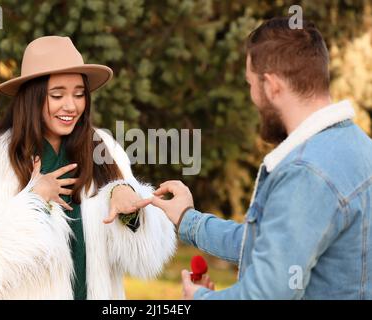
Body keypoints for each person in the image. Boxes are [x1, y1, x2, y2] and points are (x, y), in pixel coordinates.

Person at [148, 17, 372, 299]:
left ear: (272, 85)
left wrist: (198, 299)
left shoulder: (306, 172)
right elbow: (273, 245)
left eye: (251, 84)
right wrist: (187, 220)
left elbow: (265, 294)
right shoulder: (358, 146)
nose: (252, 96)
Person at [0, 36, 176, 299]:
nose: (71, 106)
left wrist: (127, 199)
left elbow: (148, 253)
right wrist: (34, 201)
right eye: (57, 95)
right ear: (32, 97)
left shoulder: (104, 148)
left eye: (79, 94)